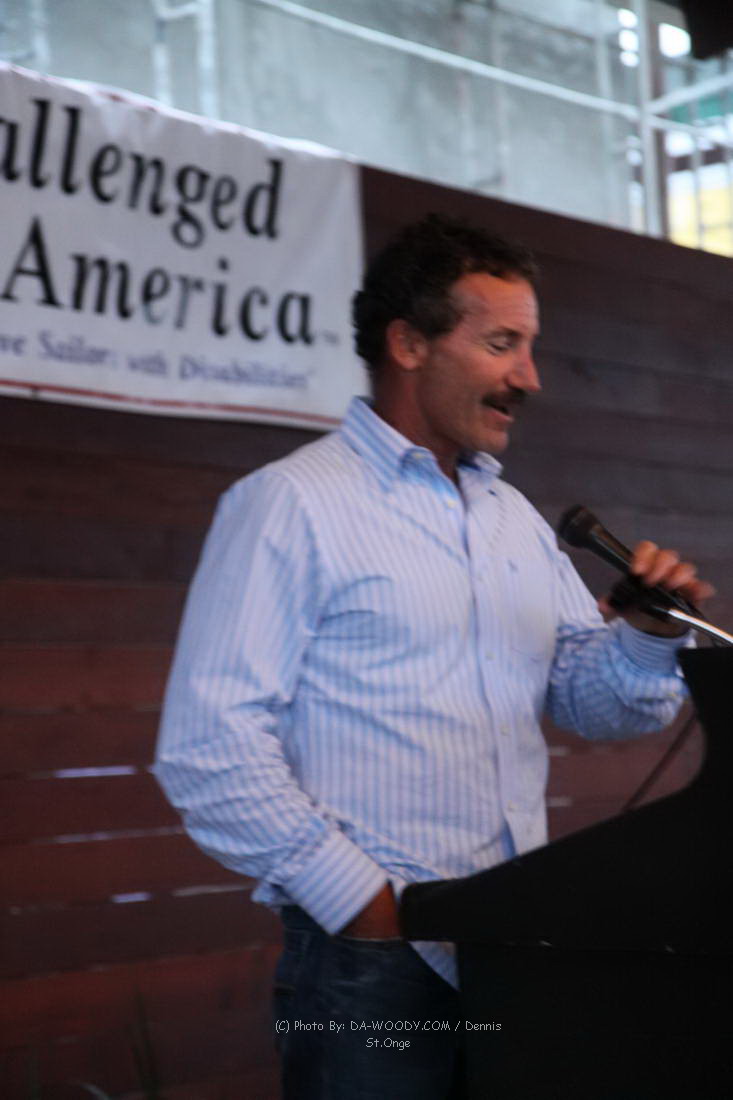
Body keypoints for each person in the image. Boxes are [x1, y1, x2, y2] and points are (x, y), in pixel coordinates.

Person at [154, 213, 713, 1099]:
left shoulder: (510, 519)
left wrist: (645, 634)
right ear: (408, 344)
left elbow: (590, 702)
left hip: (508, 951)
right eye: (500, 344)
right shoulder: (290, 504)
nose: (528, 377)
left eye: (529, 347)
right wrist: (367, 907)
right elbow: (209, 749)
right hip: (367, 966)